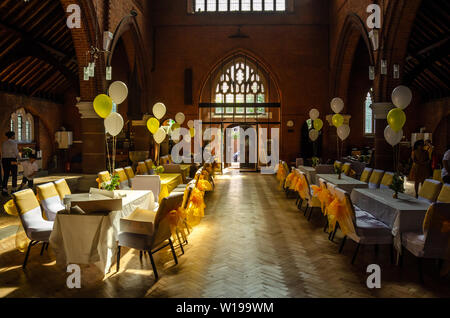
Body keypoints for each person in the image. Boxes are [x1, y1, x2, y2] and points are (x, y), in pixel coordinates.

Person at [2, 131, 19, 196]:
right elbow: (16, 152)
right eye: (14, 135)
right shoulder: (14, 143)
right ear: (12, 136)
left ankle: (4, 191)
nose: (14, 137)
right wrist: (20, 160)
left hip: (4, 160)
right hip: (12, 160)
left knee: (6, 175)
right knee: (14, 174)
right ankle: (13, 190)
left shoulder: (4, 143)